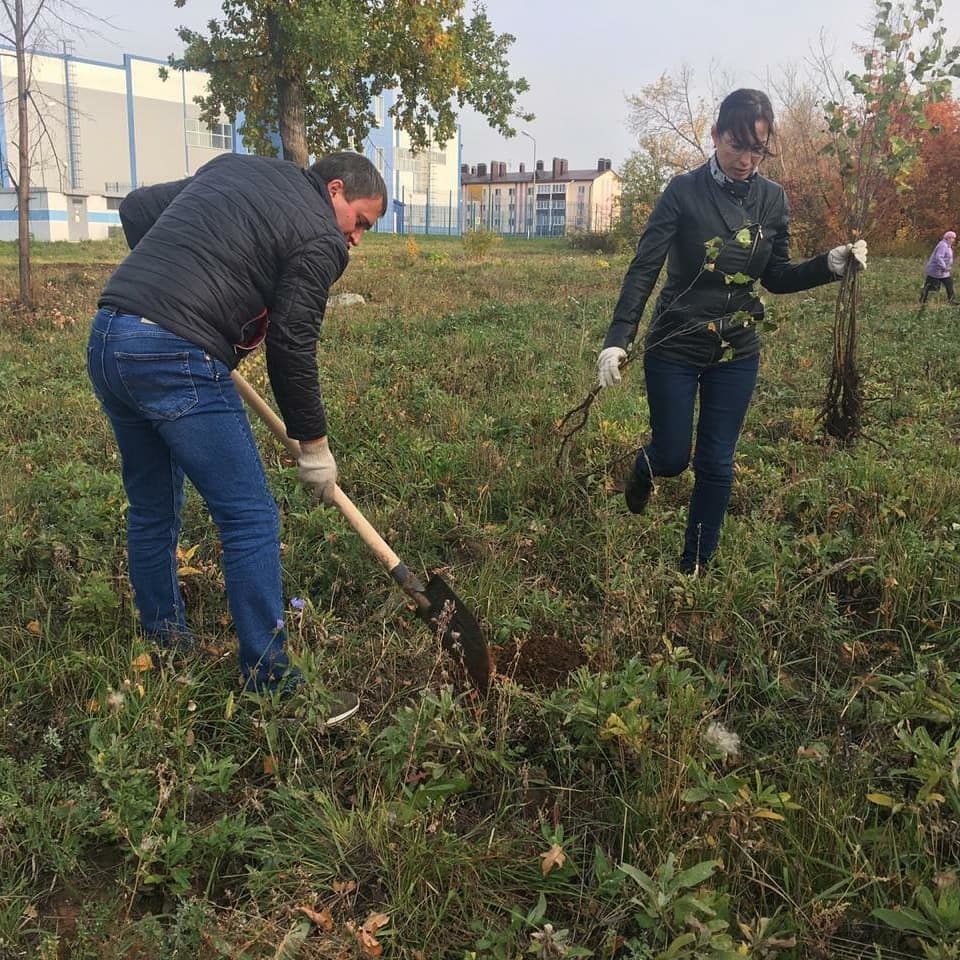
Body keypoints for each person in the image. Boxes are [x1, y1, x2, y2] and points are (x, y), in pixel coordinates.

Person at [87, 151, 387, 721]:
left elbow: (137, 208)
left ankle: (166, 643)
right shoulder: (321, 236)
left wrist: (176, 292)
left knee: (151, 509)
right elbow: (293, 341)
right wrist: (315, 447)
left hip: (110, 339)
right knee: (250, 517)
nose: (356, 239)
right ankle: (271, 683)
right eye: (361, 221)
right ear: (336, 190)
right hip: (173, 357)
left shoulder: (234, 167)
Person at [597, 89, 867, 574]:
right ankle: (647, 464)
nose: (745, 160)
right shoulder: (683, 191)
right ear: (716, 135)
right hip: (675, 341)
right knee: (675, 455)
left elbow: (777, 277)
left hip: (737, 346)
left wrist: (829, 264)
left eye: (757, 149)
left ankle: (695, 565)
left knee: (718, 462)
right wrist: (619, 337)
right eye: (736, 145)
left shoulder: (772, 199)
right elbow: (644, 268)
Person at [919, 231, 957, 305]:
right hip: (935, 270)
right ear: (948, 238)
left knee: (949, 284)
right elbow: (938, 257)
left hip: (943, 272)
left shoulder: (947, 245)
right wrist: (944, 267)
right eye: (953, 238)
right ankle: (922, 300)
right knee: (931, 287)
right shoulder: (943, 245)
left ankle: (952, 300)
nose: (954, 240)